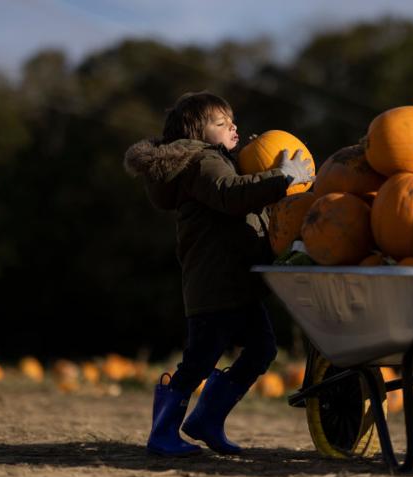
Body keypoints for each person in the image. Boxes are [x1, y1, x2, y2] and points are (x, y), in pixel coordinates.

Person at [123, 91, 313, 457]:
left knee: (262, 349)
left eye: (232, 121)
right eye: (221, 123)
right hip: (214, 284)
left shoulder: (220, 161)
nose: (233, 127)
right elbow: (230, 195)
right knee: (201, 358)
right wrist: (282, 177)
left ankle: (206, 420)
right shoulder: (202, 161)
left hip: (237, 282)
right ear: (197, 132)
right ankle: (162, 433)